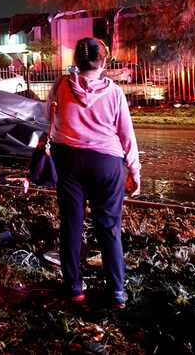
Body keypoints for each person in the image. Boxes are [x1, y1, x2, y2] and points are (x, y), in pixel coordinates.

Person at [47, 37, 141, 308]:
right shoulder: (114, 93)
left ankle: (75, 288)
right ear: (103, 61)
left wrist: (49, 144)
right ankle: (116, 293)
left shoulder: (62, 86)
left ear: (76, 60)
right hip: (107, 163)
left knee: (71, 225)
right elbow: (126, 135)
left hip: (69, 161)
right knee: (109, 227)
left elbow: (50, 120)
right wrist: (134, 170)